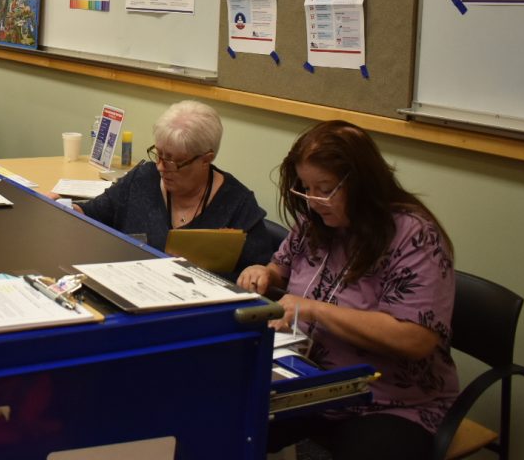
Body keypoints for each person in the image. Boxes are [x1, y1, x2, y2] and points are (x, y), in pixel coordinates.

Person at [237, 120, 458, 460]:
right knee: (225, 420)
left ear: (362, 183)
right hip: (308, 382)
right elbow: (280, 269)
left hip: (385, 400)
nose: (312, 201)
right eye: (305, 188)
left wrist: (313, 309)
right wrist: (263, 273)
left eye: (324, 188)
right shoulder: (317, 222)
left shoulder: (413, 237)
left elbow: (415, 338)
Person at [78, 100, 272, 275]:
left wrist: (257, 273)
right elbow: (90, 214)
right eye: (159, 154)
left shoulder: (237, 204)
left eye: (172, 160)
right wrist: (63, 207)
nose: (161, 166)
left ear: (206, 159)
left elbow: (260, 272)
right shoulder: (143, 178)